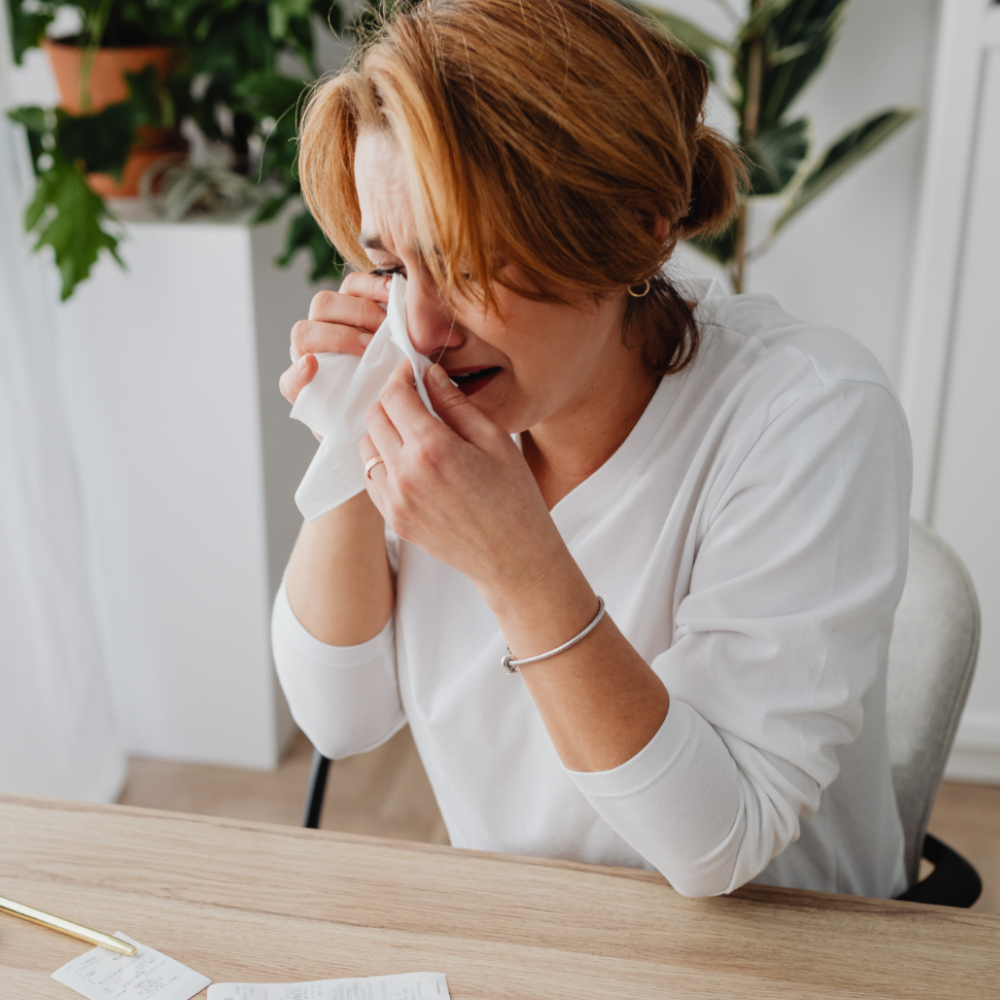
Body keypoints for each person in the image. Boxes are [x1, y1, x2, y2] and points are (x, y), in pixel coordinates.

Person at [272, 0, 910, 899]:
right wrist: (349, 441)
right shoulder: (424, 386)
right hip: (536, 942)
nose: (420, 325)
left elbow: (718, 845)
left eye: (467, 261)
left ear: (642, 226)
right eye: (393, 266)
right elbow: (341, 720)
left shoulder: (809, 413)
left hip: (785, 956)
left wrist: (518, 562)